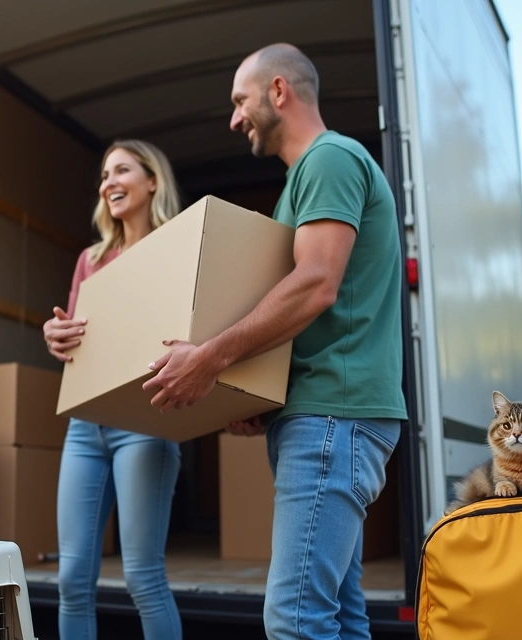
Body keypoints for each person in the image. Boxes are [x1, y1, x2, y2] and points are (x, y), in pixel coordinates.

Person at [142, 43, 408, 640]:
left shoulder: (329, 159)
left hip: (334, 416)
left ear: (279, 91)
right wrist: (261, 400)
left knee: (294, 620)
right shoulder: (301, 182)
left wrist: (210, 358)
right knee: (339, 616)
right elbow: (313, 316)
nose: (235, 119)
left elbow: (315, 285)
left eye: (241, 101)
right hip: (321, 414)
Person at [43, 139, 185, 640]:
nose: (108, 184)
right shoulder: (91, 259)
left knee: (143, 577)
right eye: (104, 175)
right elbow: (78, 339)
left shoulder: (178, 247)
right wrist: (55, 336)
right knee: (70, 579)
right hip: (86, 428)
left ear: (152, 181)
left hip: (144, 425)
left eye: (121, 170)